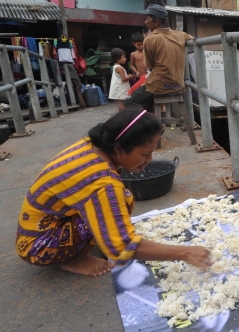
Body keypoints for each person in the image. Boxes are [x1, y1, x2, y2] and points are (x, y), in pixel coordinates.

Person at [15, 108, 212, 276]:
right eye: (144, 154)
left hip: (42, 223)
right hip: (37, 244)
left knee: (117, 203)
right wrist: (185, 253)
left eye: (152, 152)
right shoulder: (103, 183)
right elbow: (122, 247)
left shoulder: (93, 144)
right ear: (118, 149)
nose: (149, 159)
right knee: (120, 202)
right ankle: (74, 259)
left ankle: (82, 242)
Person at [121, 5, 193, 112]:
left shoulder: (150, 40)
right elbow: (193, 39)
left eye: (147, 19)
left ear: (157, 21)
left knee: (123, 105)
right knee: (147, 101)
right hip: (178, 84)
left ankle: (137, 127)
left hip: (160, 84)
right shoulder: (181, 35)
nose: (145, 22)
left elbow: (149, 66)